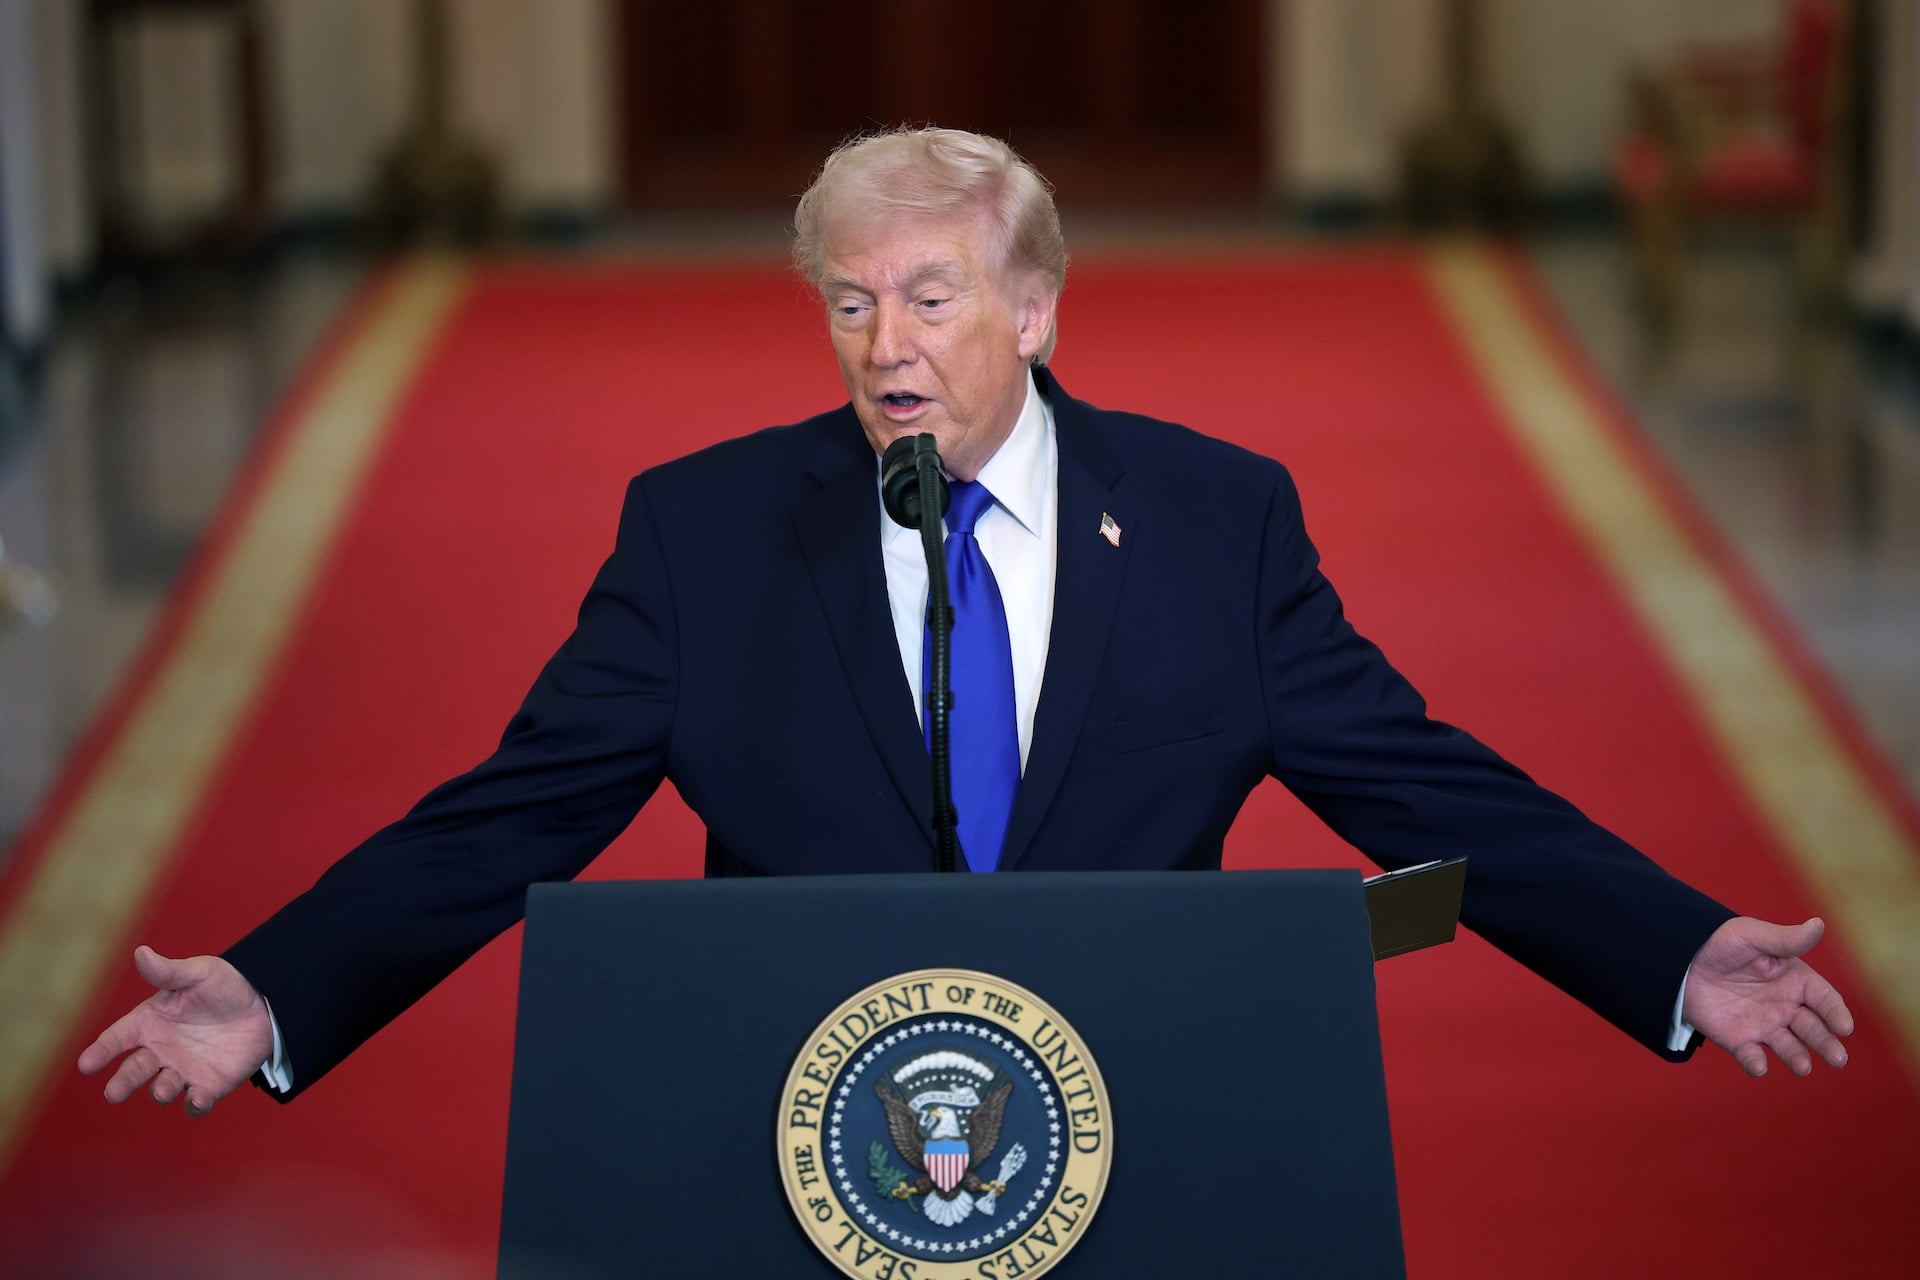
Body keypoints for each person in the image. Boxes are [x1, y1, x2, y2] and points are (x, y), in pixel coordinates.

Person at [80, 127, 1852, 1117]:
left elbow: (1420, 785)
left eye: (929, 297)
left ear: (1040, 308)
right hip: (804, 1107)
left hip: (1132, 1106)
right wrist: (279, 990)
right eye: (847, 305)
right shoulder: (704, 532)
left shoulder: (1215, 519)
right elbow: (517, 808)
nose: (882, 348)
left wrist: (1670, 947)